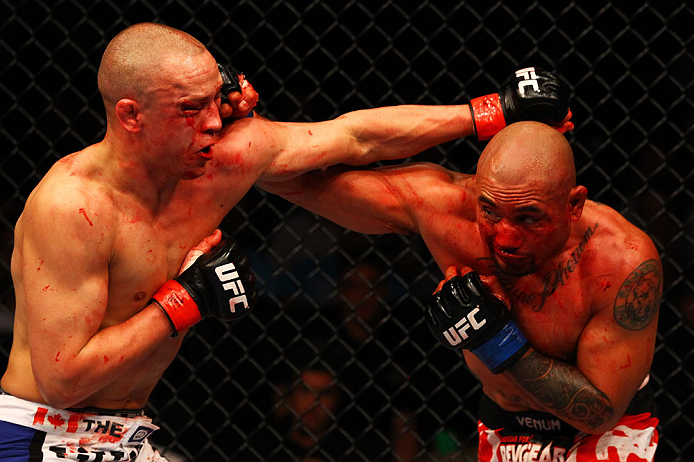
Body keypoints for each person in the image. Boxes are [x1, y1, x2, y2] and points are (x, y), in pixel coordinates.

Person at [0, 22, 571, 461]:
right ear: (131, 116)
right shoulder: (72, 207)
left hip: (127, 431)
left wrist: (489, 113)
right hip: (40, 432)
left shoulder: (218, 163)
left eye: (212, 101)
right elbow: (62, 379)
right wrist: (186, 300)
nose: (214, 124)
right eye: (190, 109)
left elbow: (355, 136)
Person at [264, 121, 661, 460]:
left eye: (528, 217)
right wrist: (230, 126)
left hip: (606, 431)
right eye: (490, 211)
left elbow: (599, 412)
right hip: (505, 422)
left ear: (574, 205)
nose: (505, 238)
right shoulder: (444, 208)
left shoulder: (622, 260)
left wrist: (495, 340)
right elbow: (286, 174)